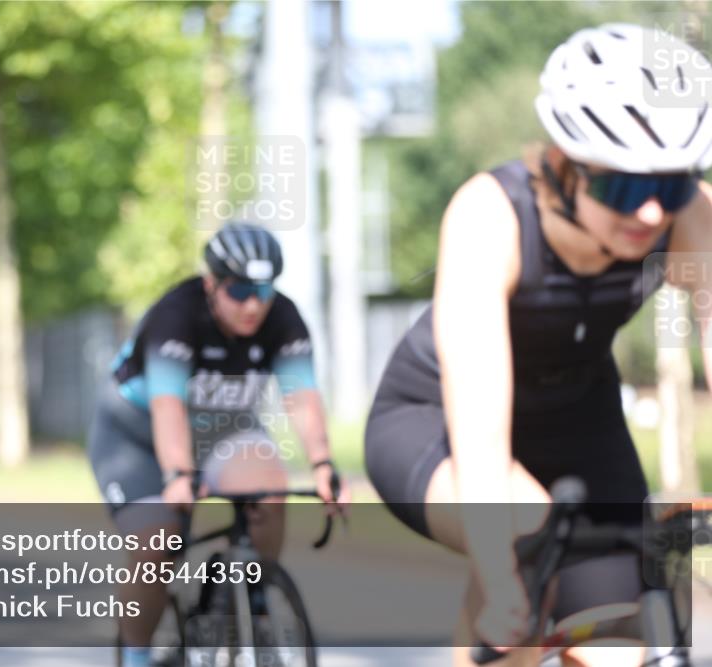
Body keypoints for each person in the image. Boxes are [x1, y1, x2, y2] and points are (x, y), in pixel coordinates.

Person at [364, 23, 712, 667]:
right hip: (435, 421)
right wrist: (498, 576)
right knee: (522, 549)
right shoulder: (490, 217)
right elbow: (481, 433)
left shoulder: (691, 217)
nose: (649, 215)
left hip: (581, 421)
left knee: (617, 652)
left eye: (668, 186)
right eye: (624, 188)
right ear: (562, 165)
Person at [88, 221, 348, 667]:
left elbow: (302, 396)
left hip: (220, 432)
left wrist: (324, 465)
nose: (253, 305)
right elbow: (168, 406)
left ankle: (256, 599)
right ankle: (135, 654)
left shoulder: (283, 317)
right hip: (138, 438)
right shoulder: (177, 314)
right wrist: (176, 476)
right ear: (211, 284)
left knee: (268, 488)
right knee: (159, 538)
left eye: (263, 292)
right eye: (240, 291)